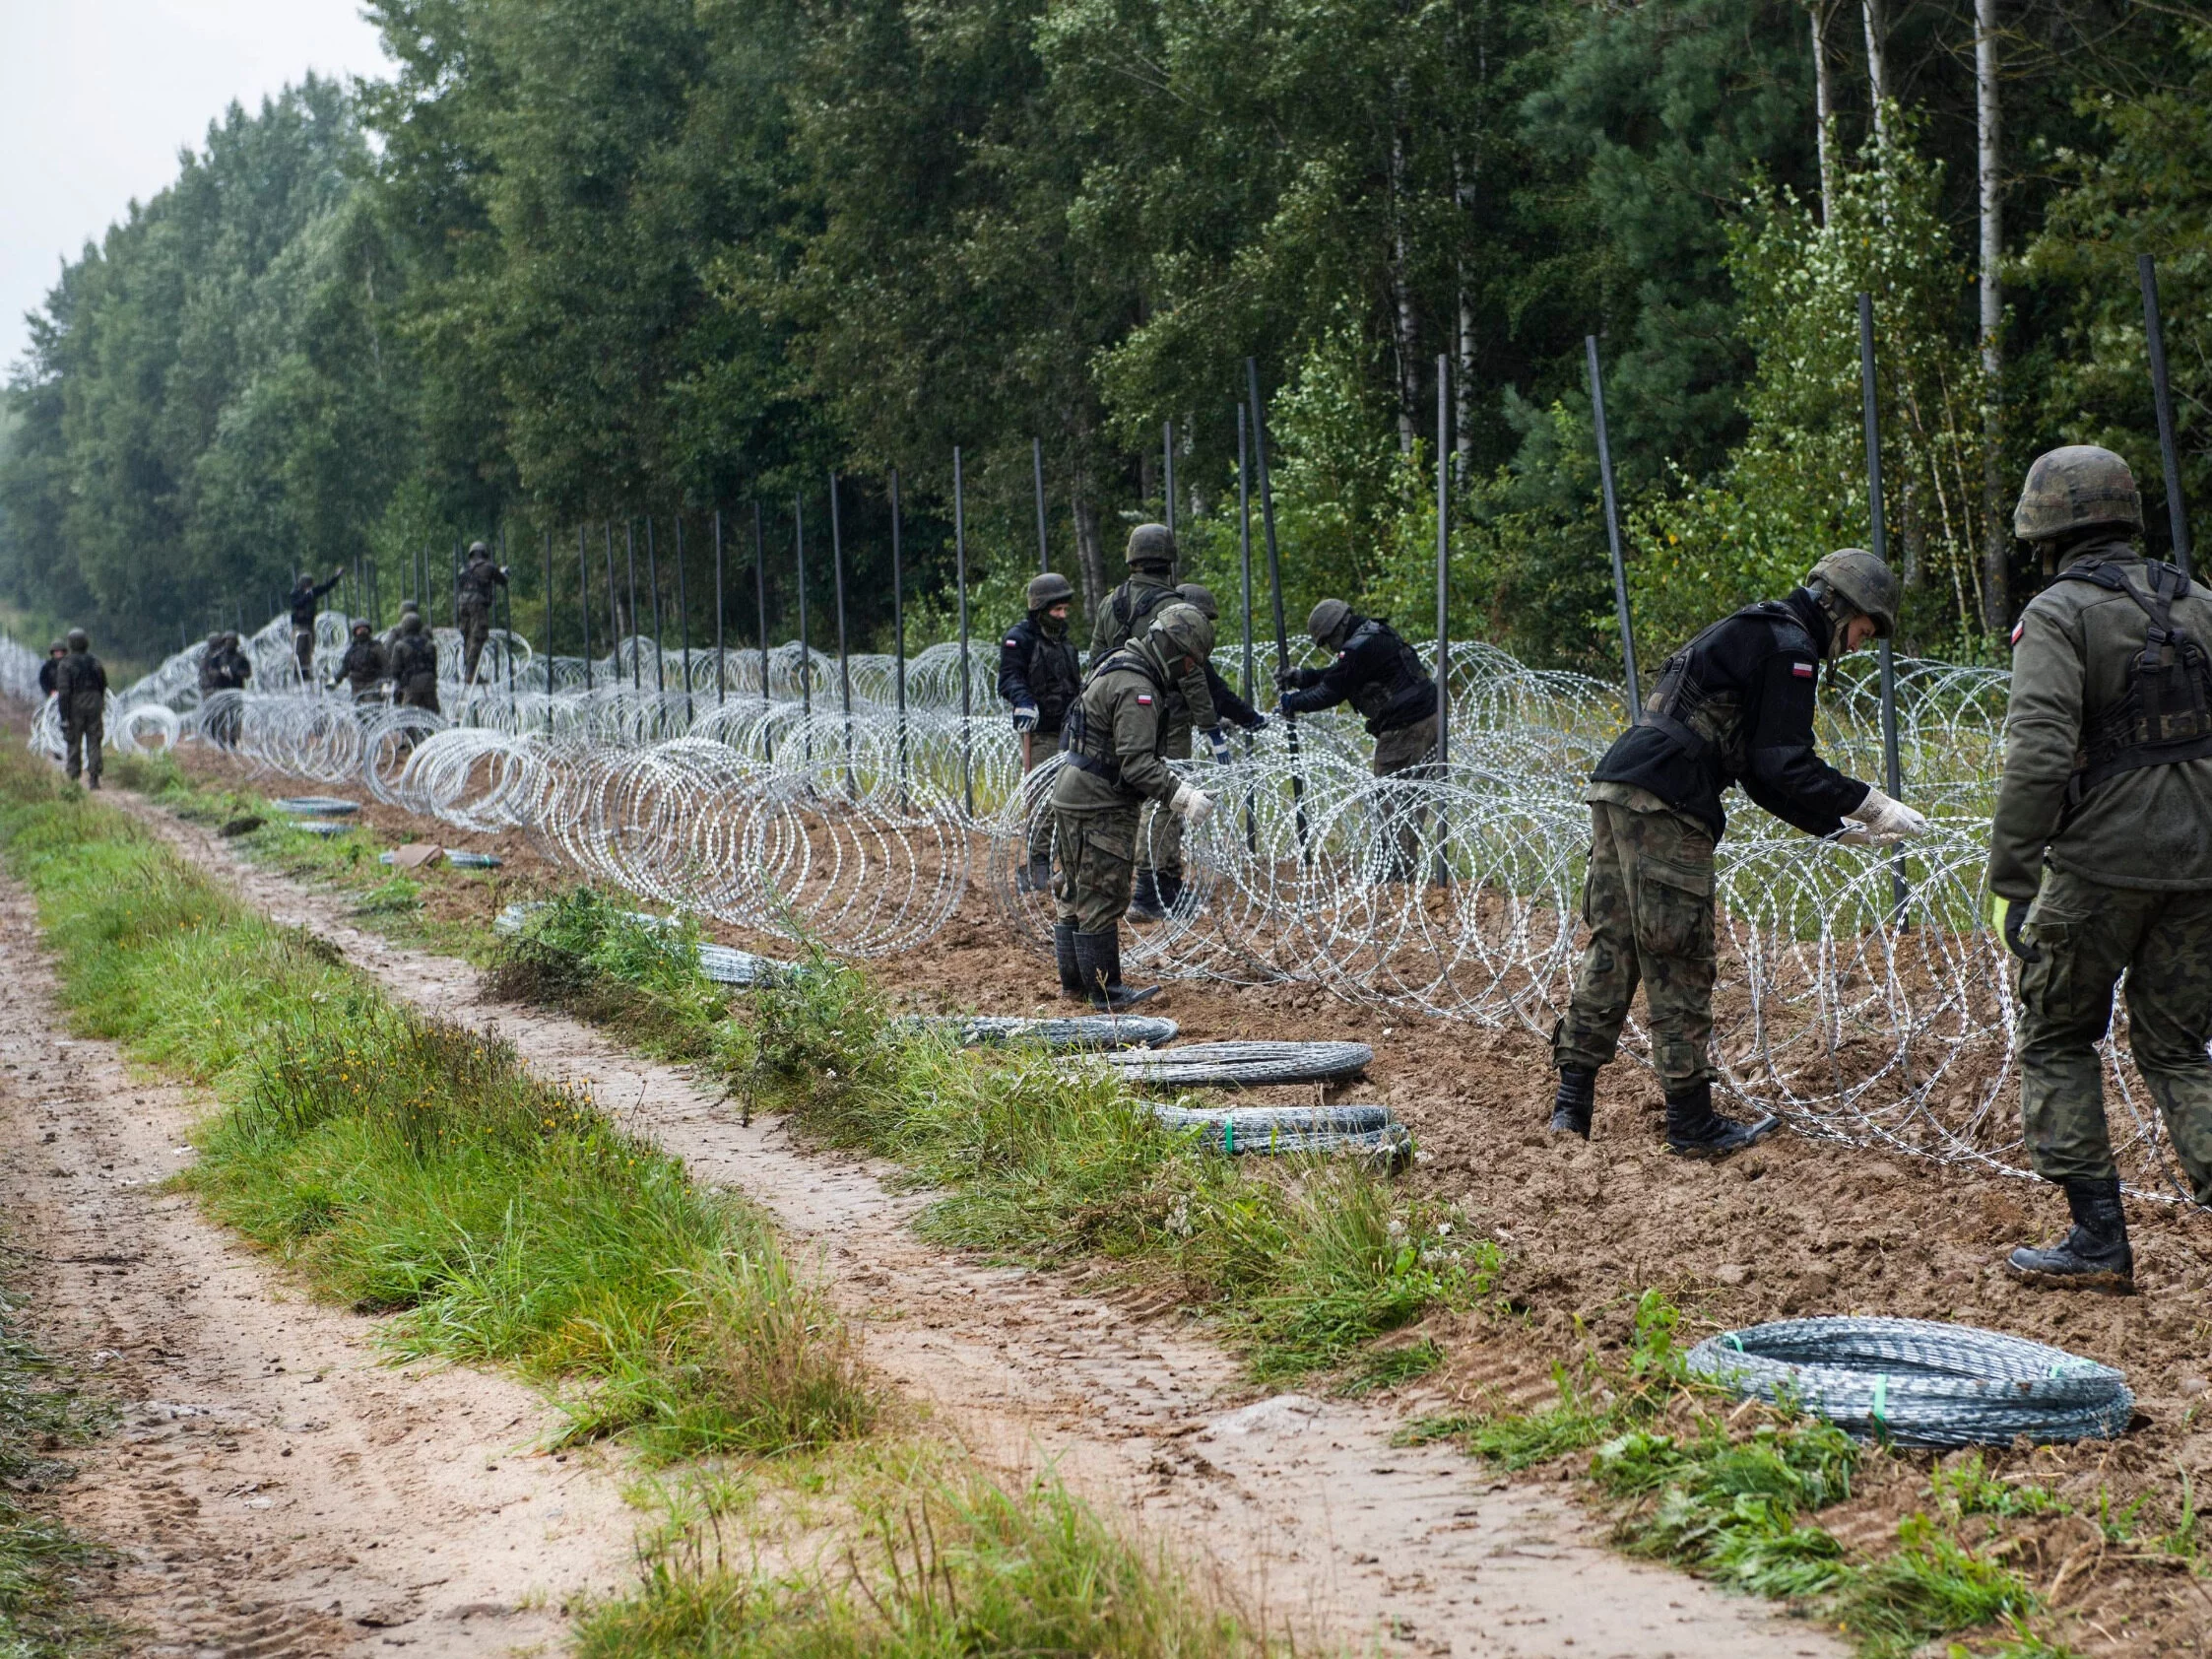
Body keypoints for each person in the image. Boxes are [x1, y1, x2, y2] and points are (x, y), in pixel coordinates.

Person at [1548, 548, 1928, 1158]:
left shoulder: (1762, 629)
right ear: (1843, 607)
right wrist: (1868, 801)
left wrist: (1833, 826)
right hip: (1669, 801)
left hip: (1619, 785)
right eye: (1865, 629)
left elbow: (1757, 769)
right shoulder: (1791, 648)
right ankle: (1692, 1125)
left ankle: (1571, 1107)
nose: (1859, 644)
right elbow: (1785, 762)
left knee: (1614, 946)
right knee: (1678, 958)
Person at [1988, 445, 2212, 1291]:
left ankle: (2095, 1240)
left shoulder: (2059, 612)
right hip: (2205, 863)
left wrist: (2012, 877)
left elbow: (2039, 751)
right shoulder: (2201, 603)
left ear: (2046, 533)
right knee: (2178, 1048)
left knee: (2056, 1031)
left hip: (2101, 862)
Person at [1051, 603, 1219, 1008]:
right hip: (1100, 802)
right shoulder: (1137, 686)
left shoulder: (1117, 663)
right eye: (1191, 662)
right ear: (1176, 651)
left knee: (1073, 890)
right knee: (1102, 895)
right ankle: (1105, 994)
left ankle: (1074, 985)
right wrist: (1184, 797)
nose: (1191, 671)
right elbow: (1138, 763)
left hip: (1075, 791)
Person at [1086, 526, 1227, 923]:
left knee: (1128, 795)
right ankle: (1155, 888)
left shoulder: (1109, 603)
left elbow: (1096, 659)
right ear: (1168, 561)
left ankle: (1136, 884)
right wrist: (1211, 727)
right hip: (1165, 716)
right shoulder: (1172, 603)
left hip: (1115, 710)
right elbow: (1191, 671)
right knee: (1169, 796)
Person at [1276, 598, 1440, 881]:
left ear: (1339, 628)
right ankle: (1402, 870)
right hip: (1428, 719)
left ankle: (1395, 874)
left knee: (1389, 802)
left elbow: (1331, 691)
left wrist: (1292, 703)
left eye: (1329, 642)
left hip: (1404, 730)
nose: (1332, 648)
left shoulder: (1357, 648)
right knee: (1410, 800)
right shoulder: (1373, 633)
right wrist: (1303, 678)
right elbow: (1341, 675)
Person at [1000, 571, 1082, 893]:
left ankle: (1067, 865)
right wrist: (1023, 702)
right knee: (1046, 802)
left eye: (1064, 610)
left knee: (1071, 802)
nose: (1062, 616)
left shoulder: (1066, 644)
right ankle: (1038, 865)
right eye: (1056, 610)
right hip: (1042, 735)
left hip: (1070, 733)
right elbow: (1009, 678)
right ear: (1039, 608)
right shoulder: (1019, 639)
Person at [54, 630, 106, 788]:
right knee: (94, 740)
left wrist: (64, 716)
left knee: (73, 741)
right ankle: (94, 778)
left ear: (70, 644)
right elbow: (103, 684)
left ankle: (73, 778)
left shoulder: (66, 664)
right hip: (94, 701)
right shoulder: (94, 661)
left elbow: (63, 692)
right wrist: (99, 702)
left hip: (75, 703)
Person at [456, 542, 509, 685]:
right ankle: (471, 673)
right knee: (478, 636)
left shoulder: (464, 568)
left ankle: (470, 670)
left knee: (467, 637)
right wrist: (504, 572)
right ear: (484, 553)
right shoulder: (489, 567)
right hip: (477, 605)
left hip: (462, 605)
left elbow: (460, 585)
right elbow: (502, 580)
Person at [290, 569, 345, 681]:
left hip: (309, 624)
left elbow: (326, 587)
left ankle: (306, 672)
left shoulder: (312, 592)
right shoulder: (295, 593)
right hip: (299, 625)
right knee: (299, 649)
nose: (310, 586)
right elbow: (296, 604)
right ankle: (297, 673)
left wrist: (336, 576)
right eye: (308, 584)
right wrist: (308, 596)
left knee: (309, 648)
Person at [389, 612, 440, 713]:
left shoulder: (400, 645)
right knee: (433, 714)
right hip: (429, 682)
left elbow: (395, 670)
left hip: (411, 684)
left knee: (408, 716)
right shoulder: (430, 644)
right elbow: (433, 665)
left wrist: (401, 682)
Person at [331, 620, 389, 703]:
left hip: (373, 686)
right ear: (355, 632)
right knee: (359, 713)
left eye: (364, 629)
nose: (362, 631)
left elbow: (386, 666)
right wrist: (335, 680)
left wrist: (386, 683)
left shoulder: (376, 647)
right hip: (356, 689)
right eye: (359, 629)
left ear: (368, 631)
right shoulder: (352, 651)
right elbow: (345, 668)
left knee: (373, 711)